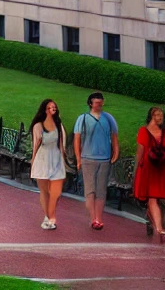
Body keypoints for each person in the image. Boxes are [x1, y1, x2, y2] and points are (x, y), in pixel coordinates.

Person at [74, 92, 121, 230]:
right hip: (88, 158)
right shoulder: (82, 119)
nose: (99, 105)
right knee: (90, 190)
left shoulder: (109, 118)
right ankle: (92, 217)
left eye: (101, 103)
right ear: (90, 104)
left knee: (101, 191)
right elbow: (77, 138)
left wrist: (116, 152)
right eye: (97, 103)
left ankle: (98, 218)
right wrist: (78, 158)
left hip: (104, 159)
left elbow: (114, 136)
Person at [30, 98, 67, 230]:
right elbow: (35, 145)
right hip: (43, 158)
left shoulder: (59, 125)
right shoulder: (38, 126)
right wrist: (33, 162)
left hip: (56, 159)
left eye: (54, 108)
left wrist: (65, 161)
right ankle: (48, 217)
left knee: (55, 193)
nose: (52, 110)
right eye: (49, 108)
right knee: (45, 191)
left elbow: (62, 144)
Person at [136, 106, 165, 242]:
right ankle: (160, 228)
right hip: (158, 168)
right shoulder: (164, 132)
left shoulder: (145, 131)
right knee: (154, 198)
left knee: (154, 198)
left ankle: (157, 223)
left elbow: (140, 152)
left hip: (156, 168)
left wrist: (137, 168)